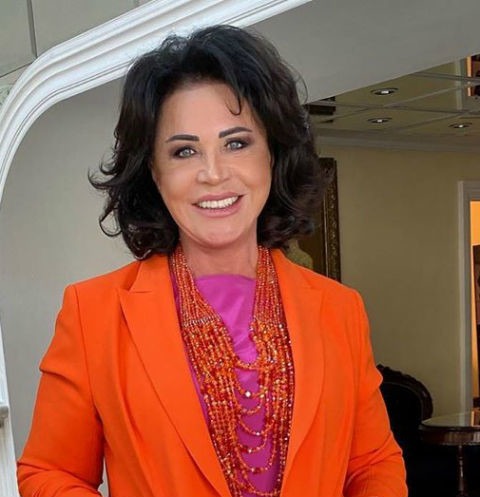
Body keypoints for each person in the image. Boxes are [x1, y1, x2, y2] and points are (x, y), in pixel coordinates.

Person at [17, 25, 407, 497]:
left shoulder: (340, 310)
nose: (213, 173)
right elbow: (48, 473)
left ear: (272, 153)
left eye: (236, 143)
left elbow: (373, 462)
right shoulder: (93, 314)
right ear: (154, 172)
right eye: (184, 151)